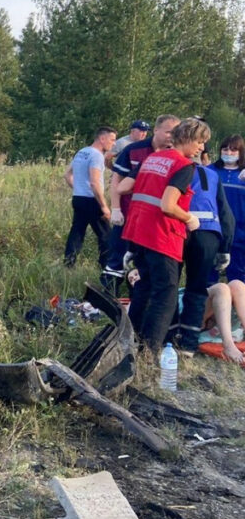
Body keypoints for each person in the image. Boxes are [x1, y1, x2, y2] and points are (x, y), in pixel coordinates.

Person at [123, 118, 210, 353]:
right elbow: (168, 205)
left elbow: (129, 189)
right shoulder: (183, 165)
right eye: (200, 142)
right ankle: (150, 354)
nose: (201, 148)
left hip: (139, 232)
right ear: (189, 139)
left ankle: (129, 343)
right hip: (162, 236)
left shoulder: (153, 158)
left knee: (144, 287)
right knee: (166, 294)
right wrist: (189, 218)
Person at [100, 114, 181, 296]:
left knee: (144, 260)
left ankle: (137, 296)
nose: (171, 136)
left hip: (156, 219)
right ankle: (108, 295)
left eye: (175, 132)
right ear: (156, 130)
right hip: (129, 213)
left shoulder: (176, 154)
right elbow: (116, 182)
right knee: (118, 254)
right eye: (168, 132)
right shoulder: (134, 150)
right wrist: (115, 208)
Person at [168, 150, 235, 354]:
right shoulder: (213, 175)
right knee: (196, 289)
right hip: (208, 234)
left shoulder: (175, 169)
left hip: (178, 229)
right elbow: (226, 215)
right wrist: (225, 249)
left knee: (169, 286)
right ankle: (188, 344)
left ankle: (168, 338)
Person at [63, 126, 116, 268]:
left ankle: (68, 263)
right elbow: (94, 182)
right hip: (92, 200)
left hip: (78, 198)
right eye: (112, 139)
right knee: (106, 235)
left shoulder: (82, 152)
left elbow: (67, 174)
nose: (114, 143)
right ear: (102, 138)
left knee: (77, 232)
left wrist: (78, 188)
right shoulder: (97, 155)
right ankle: (105, 266)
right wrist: (104, 206)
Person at [208, 135, 245, 283]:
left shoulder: (243, 174)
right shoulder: (210, 171)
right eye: (225, 149)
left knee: (237, 274)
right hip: (214, 229)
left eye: (234, 150)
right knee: (209, 273)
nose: (228, 153)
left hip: (239, 232)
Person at [197, 281, 245, 365]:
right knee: (221, 289)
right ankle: (228, 346)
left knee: (237, 285)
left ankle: (229, 344)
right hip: (196, 320)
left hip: (224, 323)